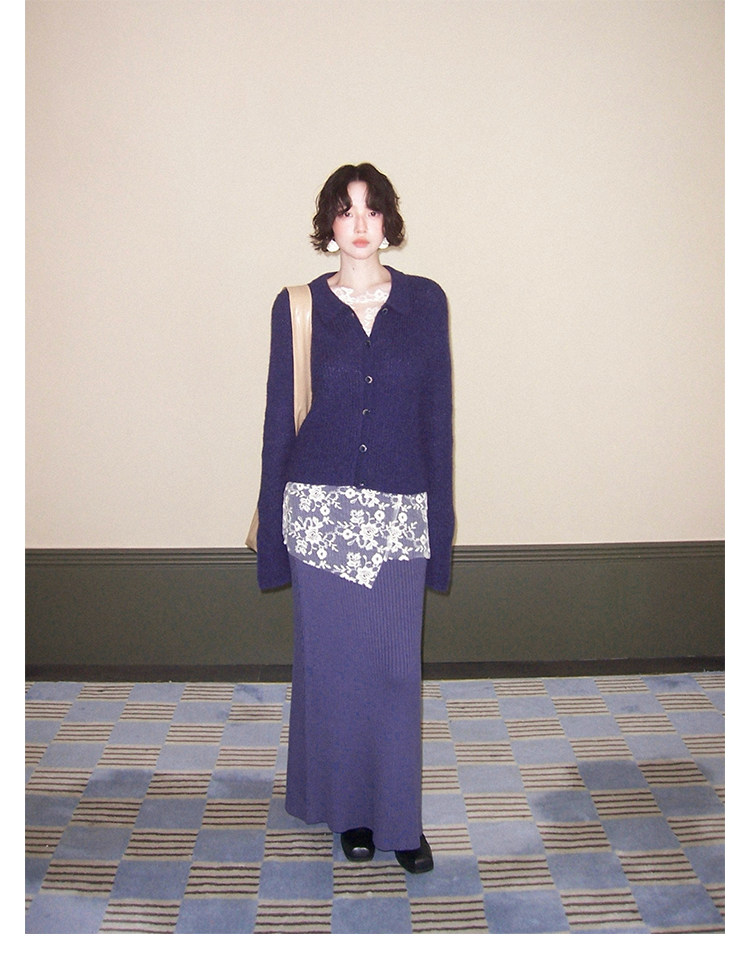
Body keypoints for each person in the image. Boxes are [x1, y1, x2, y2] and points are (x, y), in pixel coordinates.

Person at [256, 163, 454, 874]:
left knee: (396, 672)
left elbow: (437, 421)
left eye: (372, 209)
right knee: (336, 671)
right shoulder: (299, 307)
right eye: (346, 210)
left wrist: (441, 532)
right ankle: (352, 814)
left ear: (389, 221)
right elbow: (279, 423)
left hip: (399, 513)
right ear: (329, 225)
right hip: (320, 515)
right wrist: (272, 536)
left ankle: (401, 820)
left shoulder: (425, 302)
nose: (361, 223)